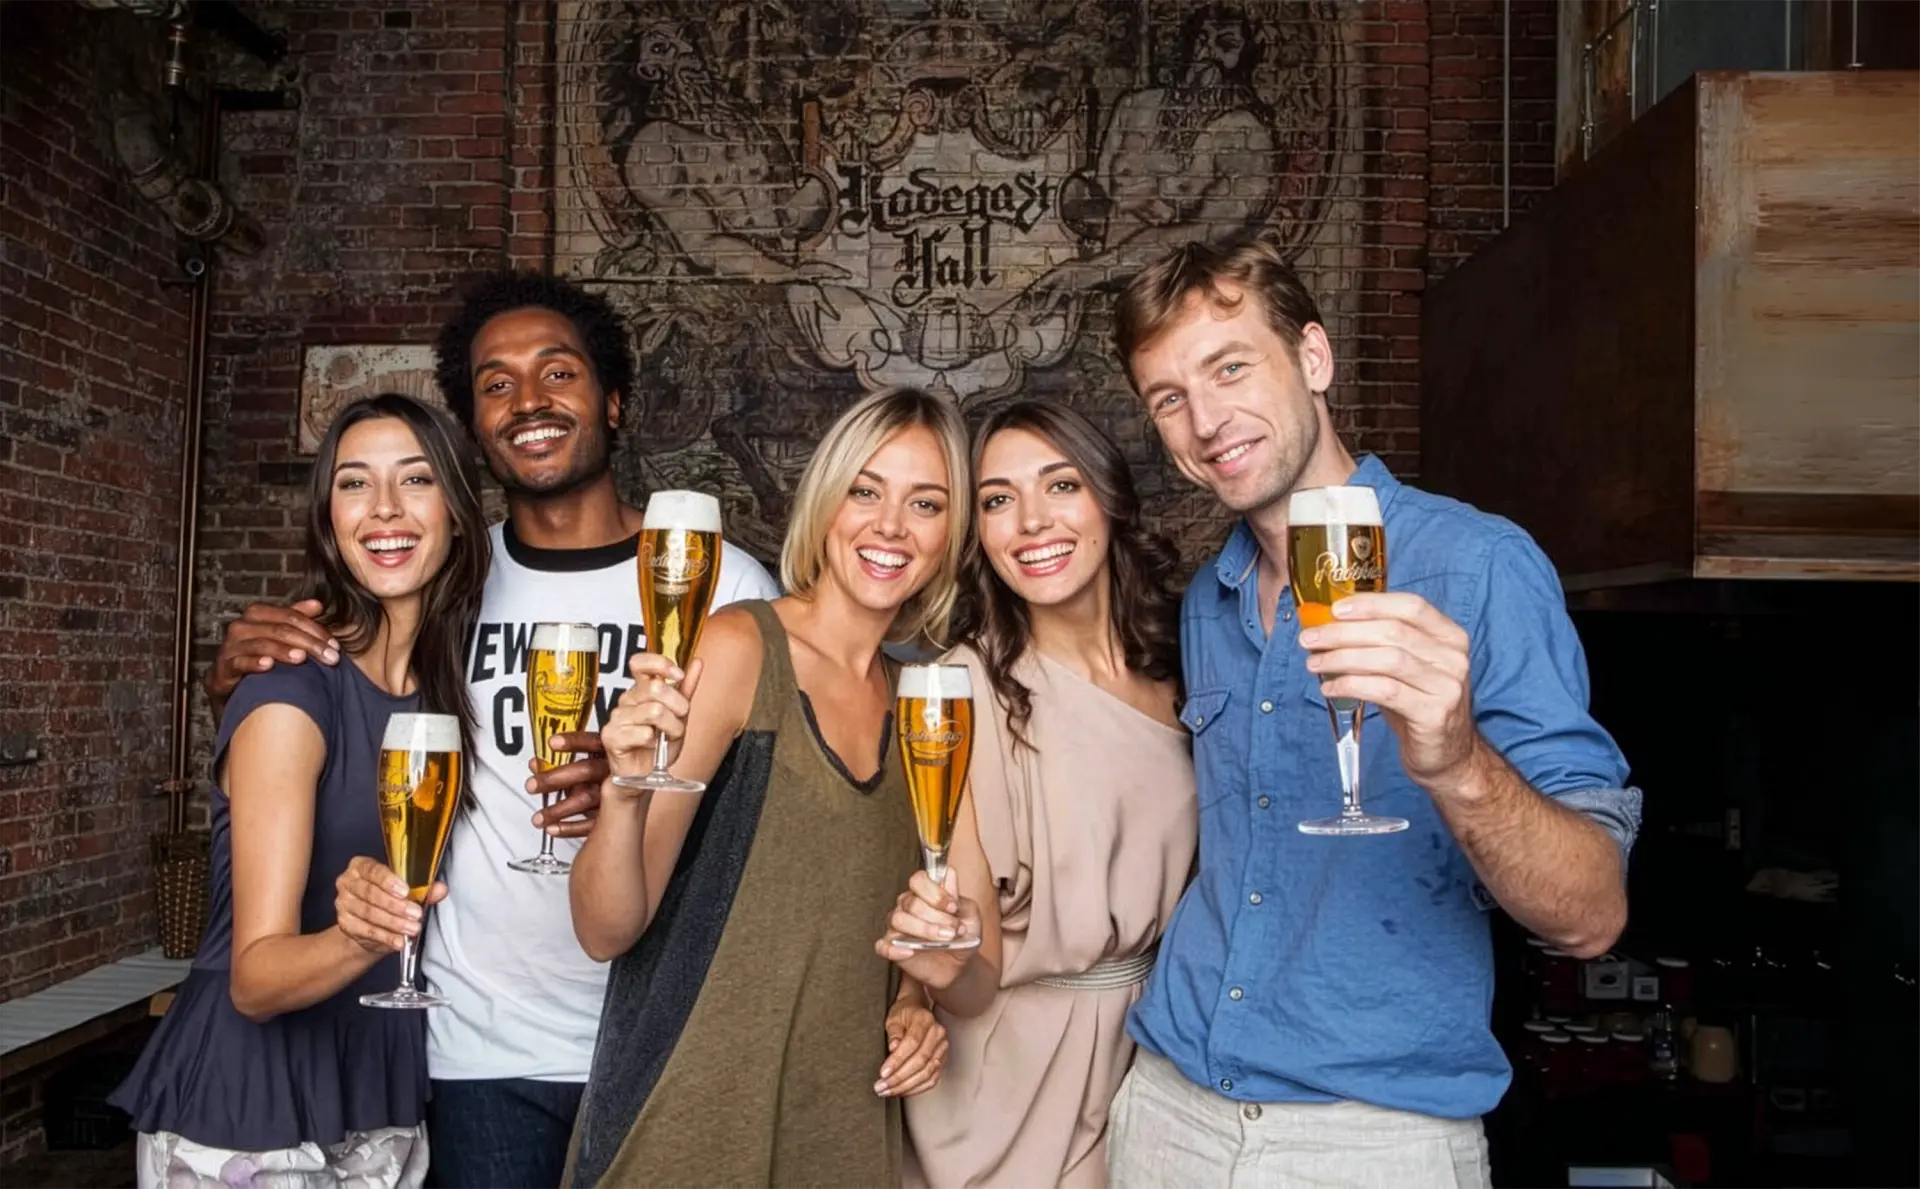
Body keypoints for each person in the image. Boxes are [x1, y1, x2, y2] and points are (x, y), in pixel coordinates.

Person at [200, 273, 781, 1189]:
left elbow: (773, 806)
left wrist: (645, 792)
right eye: (496, 384)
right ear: (474, 425)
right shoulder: (443, 588)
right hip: (480, 1045)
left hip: (666, 1030)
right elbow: (338, 703)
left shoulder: (726, 583)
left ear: (615, 400)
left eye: (559, 373)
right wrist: (239, 667)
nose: (529, 402)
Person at [1105, 238, 1642, 1186]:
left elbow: (1591, 912)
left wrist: (1458, 761)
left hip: (1370, 1138)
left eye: (1231, 367)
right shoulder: (1208, 599)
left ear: (1314, 359)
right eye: (1169, 398)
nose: (1207, 420)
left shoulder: (1478, 566)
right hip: (1166, 1106)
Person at [565, 387, 995, 1186]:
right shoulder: (739, 650)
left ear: (953, 533)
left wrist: (921, 996)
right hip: (684, 1127)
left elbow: (978, 975)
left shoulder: (931, 707)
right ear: (827, 501)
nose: (890, 525)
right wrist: (623, 796)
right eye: (866, 490)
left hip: (836, 1134)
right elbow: (604, 929)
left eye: (925, 502)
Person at [110, 394, 490, 1188]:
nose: (384, 507)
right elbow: (256, 978)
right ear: (329, 519)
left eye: (414, 478)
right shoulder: (290, 690)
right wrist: (366, 930)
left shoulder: (440, 698)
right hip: (250, 1103)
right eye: (355, 483)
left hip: (377, 1092)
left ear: (457, 509)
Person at [900, 399, 1198, 1189]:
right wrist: (941, 962)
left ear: (1108, 497)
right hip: (1008, 1083)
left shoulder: (1187, 667)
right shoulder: (962, 689)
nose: (1030, 521)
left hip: (1158, 1060)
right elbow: (973, 980)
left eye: (1059, 485)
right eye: (998, 499)